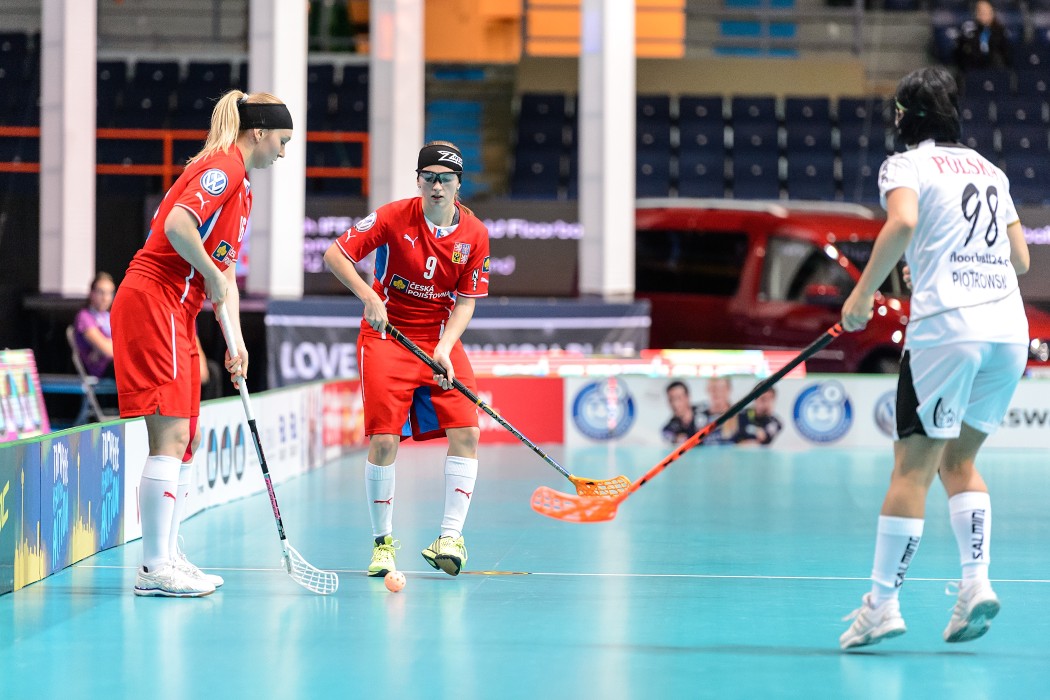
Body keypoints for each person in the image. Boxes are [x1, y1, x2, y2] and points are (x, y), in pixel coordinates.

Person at [838, 66, 1029, 650]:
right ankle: (976, 585)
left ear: (905, 117)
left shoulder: (906, 165)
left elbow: (903, 221)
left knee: (912, 469)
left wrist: (863, 294)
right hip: (1009, 329)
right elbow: (1020, 258)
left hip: (949, 328)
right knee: (958, 462)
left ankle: (883, 605)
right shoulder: (991, 170)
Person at [110, 90, 293, 597]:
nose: (284, 151)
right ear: (259, 132)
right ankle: (152, 568)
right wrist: (210, 271)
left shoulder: (245, 191)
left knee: (186, 437)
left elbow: (225, 277)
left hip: (182, 310)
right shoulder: (223, 166)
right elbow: (176, 225)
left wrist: (235, 342)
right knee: (168, 436)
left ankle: (169, 553)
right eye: (283, 140)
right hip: (154, 298)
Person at [323, 141, 490, 578]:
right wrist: (367, 295)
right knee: (383, 441)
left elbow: (467, 303)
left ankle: (450, 537)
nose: (437, 186)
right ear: (418, 180)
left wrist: (444, 347)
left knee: (468, 431)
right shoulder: (393, 216)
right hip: (385, 335)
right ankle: (383, 545)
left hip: (437, 336)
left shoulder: (474, 234)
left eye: (446, 178)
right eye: (429, 177)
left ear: (458, 183)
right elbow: (334, 254)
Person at [73, 272, 116, 378]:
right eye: (101, 292)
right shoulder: (84, 317)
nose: (106, 298)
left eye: (110, 293)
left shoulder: (110, 316)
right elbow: (108, 351)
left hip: (116, 365)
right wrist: (114, 344)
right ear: (91, 293)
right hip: (102, 371)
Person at [954, 0, 1012, 73]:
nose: (983, 14)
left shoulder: (1000, 31)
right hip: (973, 69)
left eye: (986, 11)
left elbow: (1006, 55)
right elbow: (959, 54)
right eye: (980, 11)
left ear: (992, 13)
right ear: (976, 14)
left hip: (994, 70)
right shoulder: (968, 30)